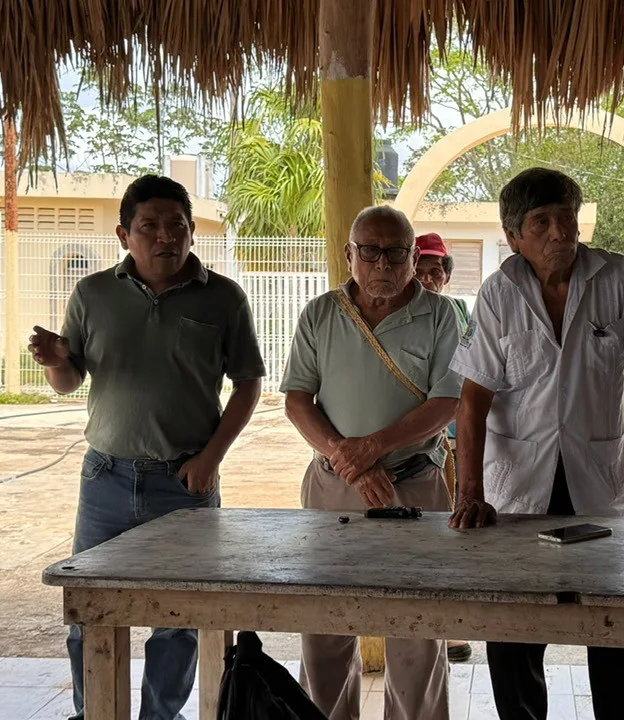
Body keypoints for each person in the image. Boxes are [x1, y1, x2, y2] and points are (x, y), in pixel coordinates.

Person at [447, 167, 624, 720]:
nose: (560, 232)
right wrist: (469, 493)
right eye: (542, 222)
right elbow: (472, 403)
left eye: (567, 217)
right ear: (514, 237)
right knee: (514, 633)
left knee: (617, 624)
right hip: (516, 491)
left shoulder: (618, 277)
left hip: (594, 484)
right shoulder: (499, 293)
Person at [29, 174, 265, 720]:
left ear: (191, 230)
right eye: (150, 226)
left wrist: (212, 458)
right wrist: (57, 361)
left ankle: (162, 716)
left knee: (178, 619)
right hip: (105, 481)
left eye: (176, 225)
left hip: (185, 482)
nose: (165, 237)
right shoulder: (93, 294)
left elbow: (249, 382)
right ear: (124, 234)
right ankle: (97, 714)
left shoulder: (223, 297)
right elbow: (70, 382)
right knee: (89, 612)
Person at [281, 206, 460, 720]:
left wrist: (373, 448)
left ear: (412, 256)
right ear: (349, 254)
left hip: (415, 488)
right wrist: (347, 458)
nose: (383, 263)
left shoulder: (442, 315)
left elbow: (447, 401)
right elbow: (297, 400)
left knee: (416, 637)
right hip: (332, 487)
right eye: (370, 251)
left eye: (396, 252)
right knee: (324, 632)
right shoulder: (320, 313)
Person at [414, 231, 473, 664]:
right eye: (422, 269)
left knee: (449, 534)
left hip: (452, 438)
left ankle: (451, 629)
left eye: (437, 270)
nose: (430, 278)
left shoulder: (458, 311)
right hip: (418, 442)